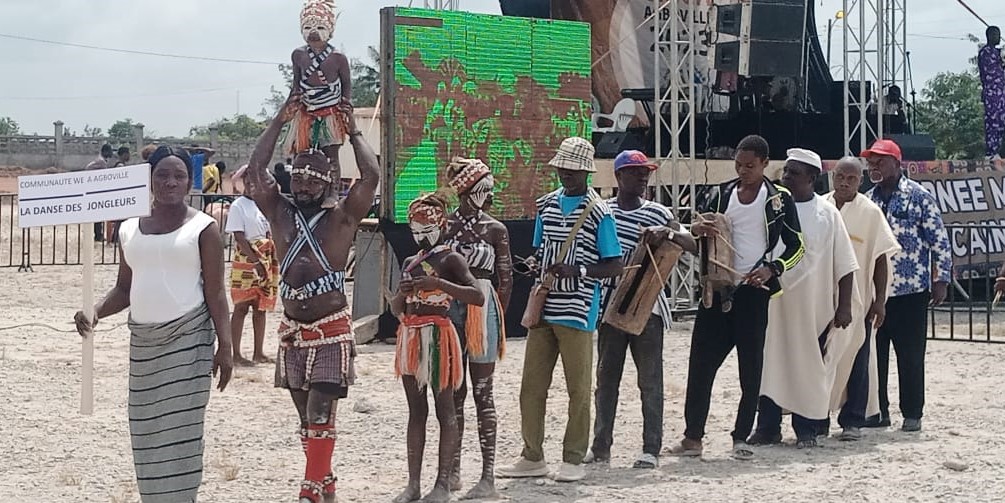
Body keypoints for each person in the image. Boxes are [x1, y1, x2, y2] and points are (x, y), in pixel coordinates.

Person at [73, 145, 234, 502]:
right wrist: (95, 311)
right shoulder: (130, 228)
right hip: (144, 351)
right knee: (146, 432)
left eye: (178, 175)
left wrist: (226, 346)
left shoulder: (204, 229)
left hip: (188, 345)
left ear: (190, 180)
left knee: (181, 435)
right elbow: (124, 288)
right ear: (149, 179)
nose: (170, 182)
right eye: (162, 175)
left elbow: (217, 293)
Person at [244, 94, 378, 503]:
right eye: (298, 178)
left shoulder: (342, 217)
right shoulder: (280, 212)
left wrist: (352, 130)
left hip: (331, 329)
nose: (302, 185)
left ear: (328, 185)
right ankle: (327, 483)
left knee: (321, 414)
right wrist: (283, 117)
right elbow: (255, 170)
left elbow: (370, 177)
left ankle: (310, 491)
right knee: (307, 422)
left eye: (311, 180)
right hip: (292, 331)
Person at [496, 137, 624, 483]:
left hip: (579, 308)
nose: (565, 172)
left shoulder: (600, 212)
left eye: (571, 168)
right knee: (531, 386)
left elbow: (614, 265)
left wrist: (579, 270)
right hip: (546, 305)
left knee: (578, 388)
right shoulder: (547, 205)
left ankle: (572, 457)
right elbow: (540, 248)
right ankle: (532, 454)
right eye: (561, 167)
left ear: (585, 170)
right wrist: (533, 264)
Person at [669, 135, 804, 461]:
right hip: (716, 288)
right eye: (739, 165)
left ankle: (741, 436)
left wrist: (773, 269)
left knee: (750, 369)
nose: (743, 171)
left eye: (750, 166)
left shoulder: (778, 199)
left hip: (753, 292)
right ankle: (693, 437)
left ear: (764, 164)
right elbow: (695, 232)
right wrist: (696, 231)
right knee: (700, 366)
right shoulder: (718, 193)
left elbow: (798, 245)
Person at [585, 150, 696, 469]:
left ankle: (651, 448)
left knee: (650, 380)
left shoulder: (659, 212)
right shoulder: (602, 212)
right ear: (618, 177)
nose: (643, 176)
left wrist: (669, 233)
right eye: (635, 172)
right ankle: (601, 446)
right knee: (606, 380)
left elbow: (691, 245)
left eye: (646, 171)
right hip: (610, 306)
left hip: (649, 308)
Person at [748, 148, 859, 448]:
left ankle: (807, 429)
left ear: (812, 177)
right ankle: (768, 427)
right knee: (769, 364)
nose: (786, 178)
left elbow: (846, 264)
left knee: (809, 368)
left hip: (814, 308)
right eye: (785, 172)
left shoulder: (828, 214)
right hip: (774, 304)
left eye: (793, 173)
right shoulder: (773, 207)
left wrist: (845, 306)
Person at [391, 193, 486, 503]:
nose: (421, 237)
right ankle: (413, 483)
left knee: (445, 409)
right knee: (416, 411)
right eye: (415, 231)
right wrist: (401, 294)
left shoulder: (451, 259)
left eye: (426, 229)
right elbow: (396, 309)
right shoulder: (410, 262)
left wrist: (440, 286)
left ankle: (443, 483)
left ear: (441, 225)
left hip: (440, 336)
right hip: (411, 336)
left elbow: (476, 295)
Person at [862, 139, 952, 432]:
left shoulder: (919, 196)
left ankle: (912, 413)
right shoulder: (867, 199)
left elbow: (939, 240)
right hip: (876, 290)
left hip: (911, 290)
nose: (874, 166)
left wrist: (941, 279)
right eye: (871, 161)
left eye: (880, 161)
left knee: (910, 355)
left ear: (897, 164)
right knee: (876, 356)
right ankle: (878, 412)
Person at [442, 157, 513, 499]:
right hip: (450, 308)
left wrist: (495, 317)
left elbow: (506, 279)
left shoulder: (496, 229)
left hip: (482, 308)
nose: (491, 195)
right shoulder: (444, 226)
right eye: (486, 189)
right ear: (469, 192)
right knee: (454, 392)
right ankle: (453, 470)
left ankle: (487, 476)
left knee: (483, 392)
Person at [824, 157, 901, 441]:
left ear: (862, 180)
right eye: (840, 176)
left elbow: (881, 259)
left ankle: (852, 420)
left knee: (858, 356)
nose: (845, 182)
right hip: (822, 299)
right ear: (832, 176)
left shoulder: (870, 213)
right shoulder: (822, 206)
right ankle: (817, 417)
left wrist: (880, 300)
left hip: (859, 301)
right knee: (822, 358)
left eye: (852, 178)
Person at [285, 0, 352, 191]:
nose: (313, 32)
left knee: (331, 156)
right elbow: (296, 83)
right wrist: (290, 107)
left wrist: (346, 108)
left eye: (320, 27)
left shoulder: (338, 58)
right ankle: (300, 190)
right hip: (305, 111)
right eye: (307, 27)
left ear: (330, 30)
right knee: (302, 155)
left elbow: (346, 84)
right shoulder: (298, 55)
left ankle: (332, 193)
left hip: (330, 111)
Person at [226, 165, 280, 366]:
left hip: (265, 256)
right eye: (247, 181)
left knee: (260, 307)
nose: (250, 184)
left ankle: (259, 352)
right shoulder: (238, 205)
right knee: (241, 307)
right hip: (247, 258)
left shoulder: (263, 204)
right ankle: (236, 354)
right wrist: (255, 261)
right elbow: (239, 236)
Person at [979, 26, 1004, 160]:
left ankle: (997, 150)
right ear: (989, 36)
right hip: (992, 92)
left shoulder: (996, 52)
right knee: (992, 121)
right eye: (996, 35)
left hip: (1001, 92)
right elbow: (991, 71)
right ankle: (991, 151)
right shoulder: (986, 52)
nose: (999, 38)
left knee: (1001, 122)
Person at [86, 144, 116, 241]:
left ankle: (98, 234)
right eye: (110, 151)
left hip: (94, 190)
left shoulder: (100, 161)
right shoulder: (101, 162)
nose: (112, 153)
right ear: (105, 151)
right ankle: (98, 235)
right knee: (98, 215)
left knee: (98, 215)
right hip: (96, 191)